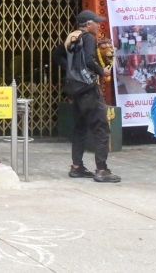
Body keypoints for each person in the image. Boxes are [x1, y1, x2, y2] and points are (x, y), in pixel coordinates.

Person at [52, 10, 121, 183]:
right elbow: (90, 60)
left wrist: (71, 69)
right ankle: (102, 169)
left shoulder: (72, 37)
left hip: (75, 89)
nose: (99, 25)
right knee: (102, 129)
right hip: (89, 88)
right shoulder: (88, 37)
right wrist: (102, 71)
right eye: (96, 22)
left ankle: (77, 167)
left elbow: (56, 54)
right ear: (88, 24)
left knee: (80, 128)